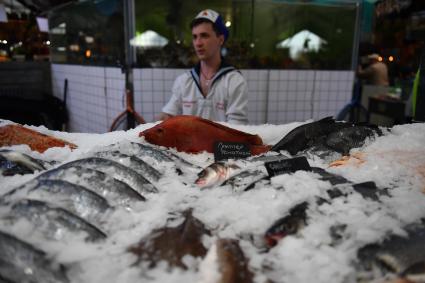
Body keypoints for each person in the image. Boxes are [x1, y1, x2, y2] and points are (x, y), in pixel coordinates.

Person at [158, 9, 248, 124]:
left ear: (220, 39)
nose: (198, 43)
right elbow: (168, 114)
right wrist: (154, 125)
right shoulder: (184, 81)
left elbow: (237, 128)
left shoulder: (234, 81)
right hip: (188, 142)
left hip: (222, 142)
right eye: (195, 37)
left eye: (204, 36)